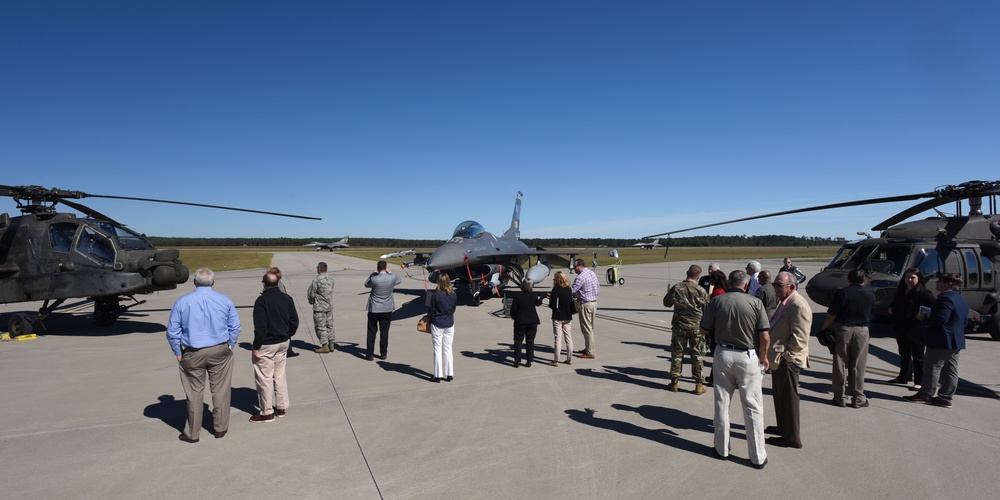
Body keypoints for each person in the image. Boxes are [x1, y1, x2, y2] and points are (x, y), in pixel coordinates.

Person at [700, 270, 770, 469]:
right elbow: (764, 335)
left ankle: (722, 449)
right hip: (747, 356)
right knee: (753, 406)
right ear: (746, 285)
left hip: (722, 353)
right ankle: (757, 456)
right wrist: (764, 357)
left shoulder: (717, 301)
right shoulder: (755, 303)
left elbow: (703, 329)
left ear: (729, 283)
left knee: (722, 403)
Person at [166, 268, 241, 442]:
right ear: (213, 282)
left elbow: (172, 331)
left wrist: (178, 352)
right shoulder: (224, 300)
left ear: (194, 282)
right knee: (221, 391)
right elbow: (235, 326)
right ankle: (220, 428)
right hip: (220, 350)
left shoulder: (182, 302)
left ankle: (192, 433)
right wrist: (230, 345)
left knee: (194, 394)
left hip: (193, 352)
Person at [904, 273, 968, 408]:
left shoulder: (945, 299)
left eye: (940, 281)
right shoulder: (960, 299)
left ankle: (925, 394)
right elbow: (964, 321)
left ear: (948, 284)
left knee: (932, 367)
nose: (937, 283)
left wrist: (924, 318)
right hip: (955, 340)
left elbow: (940, 319)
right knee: (950, 370)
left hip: (941, 340)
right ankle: (945, 397)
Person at [764, 272, 812, 449]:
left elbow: (800, 340)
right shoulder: (786, 303)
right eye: (775, 285)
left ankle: (792, 437)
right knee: (779, 395)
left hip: (787, 361)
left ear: (791, 287)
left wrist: (785, 357)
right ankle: (783, 427)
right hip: (778, 360)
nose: (775, 289)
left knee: (789, 398)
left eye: (778, 285)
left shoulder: (798, 306)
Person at [820, 269, 875, 408]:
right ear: (863, 280)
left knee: (841, 363)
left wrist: (824, 329)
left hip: (844, 329)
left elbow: (832, 315)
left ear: (849, 280)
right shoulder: (870, 294)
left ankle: (840, 397)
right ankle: (858, 397)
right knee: (858, 365)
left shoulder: (842, 293)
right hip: (862, 330)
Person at [250, 272, 299, 423]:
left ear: (263, 284)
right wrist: (287, 334)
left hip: (267, 344)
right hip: (283, 342)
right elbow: (294, 321)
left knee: (264, 378)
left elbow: (260, 327)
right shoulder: (287, 298)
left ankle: (267, 412)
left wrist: (256, 346)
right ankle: (281, 407)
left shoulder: (261, 301)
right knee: (279, 375)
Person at [663, 264, 709, 394]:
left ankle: (674, 382)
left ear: (687, 273)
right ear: (698, 276)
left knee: (677, 354)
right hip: (696, 328)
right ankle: (698, 385)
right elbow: (707, 309)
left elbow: (666, 303)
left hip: (679, 327)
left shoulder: (677, 287)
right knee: (697, 355)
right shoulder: (701, 290)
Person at [887, 268, 934, 387]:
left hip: (916, 328)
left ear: (919, 279)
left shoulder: (924, 292)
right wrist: (891, 308)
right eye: (907, 277)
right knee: (904, 353)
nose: (909, 280)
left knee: (918, 356)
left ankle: (919, 381)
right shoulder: (902, 290)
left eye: (912, 277)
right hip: (901, 326)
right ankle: (903, 376)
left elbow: (934, 307)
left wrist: (922, 314)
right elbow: (895, 302)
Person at [364, 260, 403, 361]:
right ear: (385, 268)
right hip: (387, 308)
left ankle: (369, 354)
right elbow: (399, 280)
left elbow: (366, 284)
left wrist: (372, 274)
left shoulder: (374, 279)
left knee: (372, 332)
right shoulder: (391, 278)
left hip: (374, 308)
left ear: (377, 268)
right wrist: (390, 272)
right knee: (384, 332)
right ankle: (383, 354)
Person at [428, 274, 458, 383]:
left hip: (437, 323)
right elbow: (454, 308)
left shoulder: (436, 295)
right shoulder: (453, 294)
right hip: (449, 323)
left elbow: (431, 309)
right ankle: (449, 373)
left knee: (437, 349)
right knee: (448, 348)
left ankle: (438, 374)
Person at [510, 280, 543, 367]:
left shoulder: (517, 295)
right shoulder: (534, 295)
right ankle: (529, 360)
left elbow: (513, 309)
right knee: (530, 341)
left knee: (518, 340)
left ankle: (517, 361)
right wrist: (541, 298)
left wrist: (513, 315)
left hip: (520, 320)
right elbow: (538, 304)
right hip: (532, 321)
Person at [571, 258, 600, 359]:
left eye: (574, 266)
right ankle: (588, 347)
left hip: (585, 304)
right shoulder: (591, 273)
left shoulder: (580, 277)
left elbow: (572, 290)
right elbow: (598, 286)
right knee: (590, 328)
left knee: (586, 329)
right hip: (593, 303)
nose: (574, 268)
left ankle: (590, 352)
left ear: (579, 266)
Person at [268, 266, 298, 357]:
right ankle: (287, 351)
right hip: (281, 311)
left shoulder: (273, 284)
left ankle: (287, 350)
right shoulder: (278, 285)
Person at [547, 271, 575, 366]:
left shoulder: (556, 290)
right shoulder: (569, 289)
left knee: (558, 338)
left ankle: (556, 360)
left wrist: (550, 302)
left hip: (558, 316)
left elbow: (553, 305)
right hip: (567, 316)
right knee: (568, 337)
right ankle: (569, 358)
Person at [308, 262, 336, 353]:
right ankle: (331, 344)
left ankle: (325, 346)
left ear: (319, 269)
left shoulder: (317, 280)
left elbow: (311, 294)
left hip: (319, 307)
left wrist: (312, 302)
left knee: (320, 326)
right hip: (329, 306)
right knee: (329, 325)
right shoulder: (331, 279)